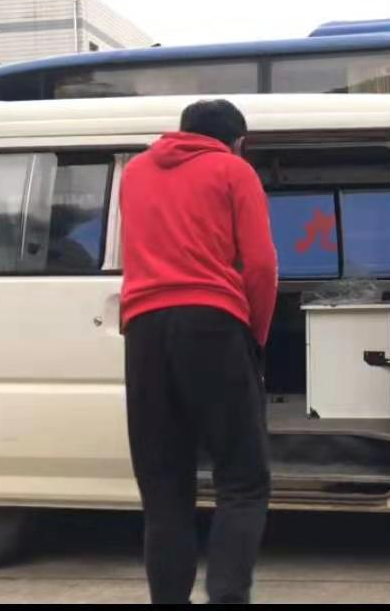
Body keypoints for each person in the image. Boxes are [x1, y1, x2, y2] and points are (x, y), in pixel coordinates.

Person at [119, 99, 278, 605]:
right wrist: (255, 337)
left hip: (143, 331)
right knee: (242, 481)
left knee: (164, 489)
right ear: (237, 141)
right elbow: (261, 266)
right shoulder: (233, 170)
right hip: (213, 323)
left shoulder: (134, 172)